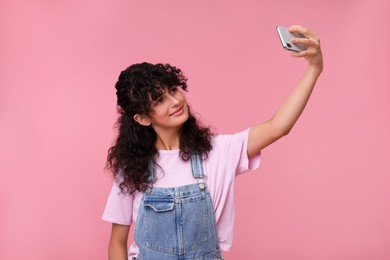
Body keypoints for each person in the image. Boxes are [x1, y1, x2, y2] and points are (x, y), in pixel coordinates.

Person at [102, 25, 323, 260]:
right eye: (159, 100)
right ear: (143, 118)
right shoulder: (132, 169)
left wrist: (315, 68)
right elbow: (117, 242)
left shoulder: (218, 151)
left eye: (173, 90)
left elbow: (279, 126)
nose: (175, 101)